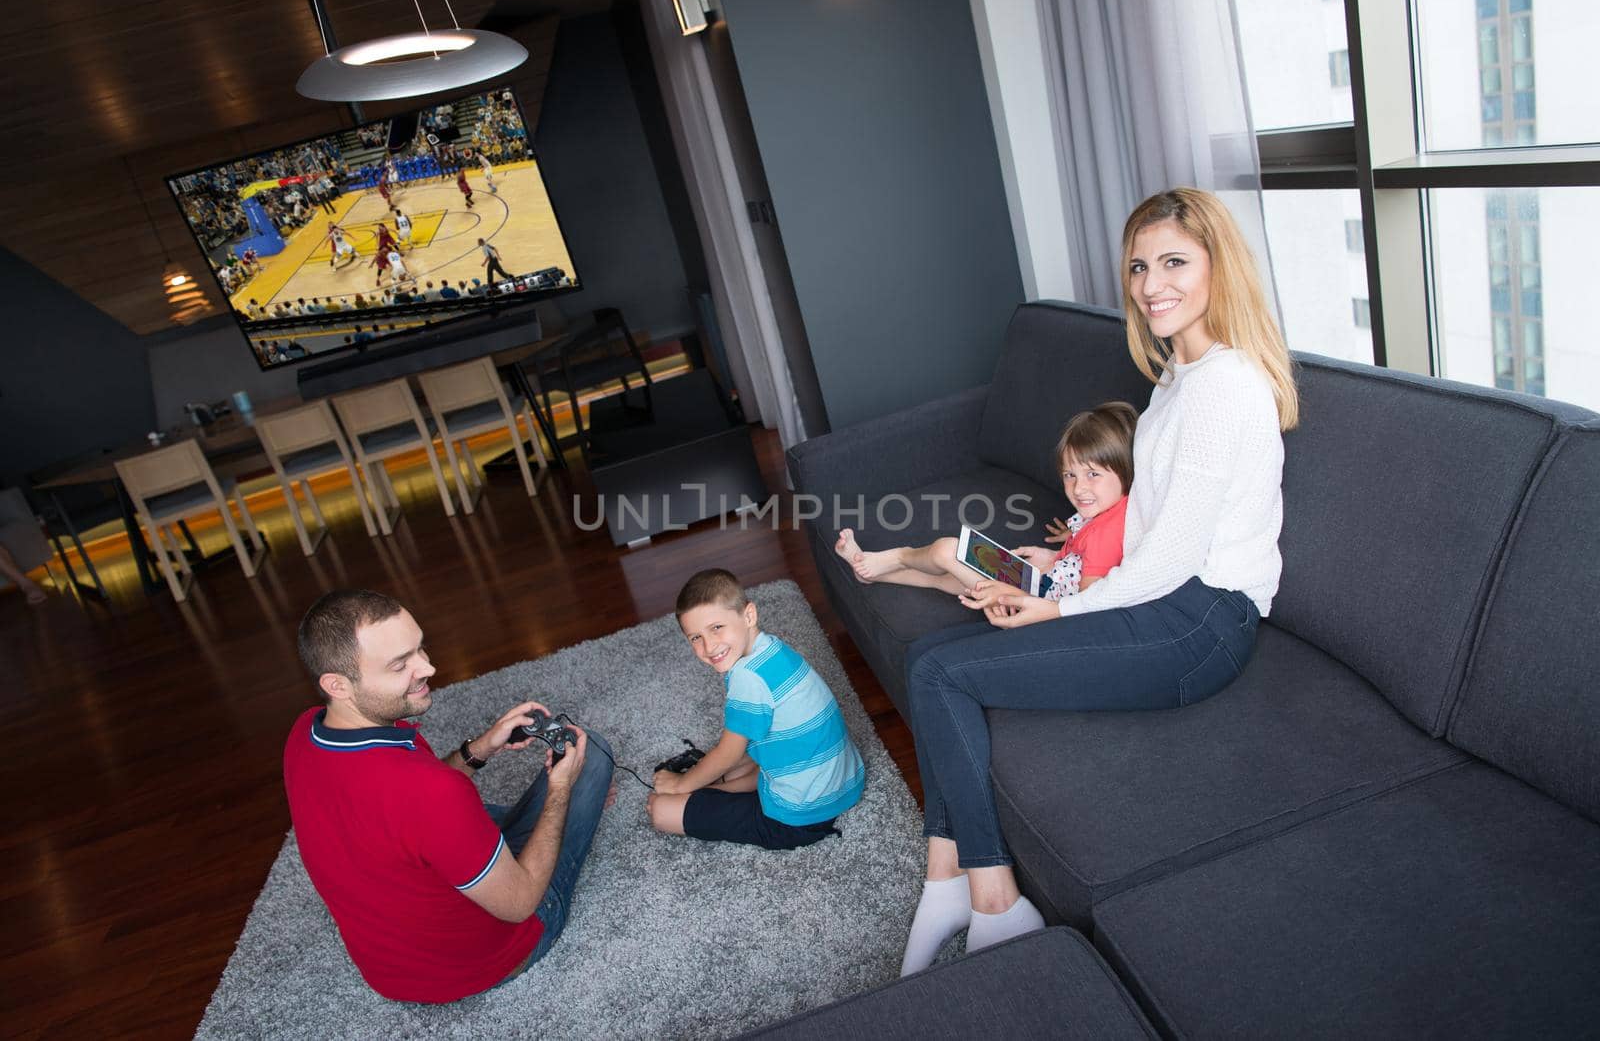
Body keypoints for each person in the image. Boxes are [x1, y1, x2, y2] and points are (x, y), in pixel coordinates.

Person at [895, 188, 1299, 977]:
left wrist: (1055, 608)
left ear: (1220, 267)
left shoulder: (1223, 387)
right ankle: (949, 876)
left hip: (1199, 622)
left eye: (1175, 262)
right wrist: (1051, 572)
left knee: (941, 669)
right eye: (1140, 266)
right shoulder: (1179, 383)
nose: (1152, 284)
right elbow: (1143, 533)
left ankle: (990, 898)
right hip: (1162, 602)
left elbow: (1173, 557)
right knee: (932, 659)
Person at [283, 590, 616, 1003]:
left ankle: (495, 841)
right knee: (594, 755)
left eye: (419, 648)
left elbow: (403, 812)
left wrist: (480, 748)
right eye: (400, 664)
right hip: (483, 963)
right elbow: (519, 903)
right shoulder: (431, 792)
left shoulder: (305, 733)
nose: (428, 667)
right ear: (337, 684)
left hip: (389, 972)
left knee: (449, 820)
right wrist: (561, 790)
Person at [647, 569, 866, 850]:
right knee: (742, 759)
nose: (708, 646)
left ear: (749, 616)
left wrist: (680, 786)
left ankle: (696, 790)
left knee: (660, 809)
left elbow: (728, 753)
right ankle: (707, 789)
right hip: (844, 784)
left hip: (798, 818)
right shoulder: (771, 648)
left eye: (716, 628)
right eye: (695, 638)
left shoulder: (747, 678)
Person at [835, 401, 1137, 602]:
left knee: (946, 551)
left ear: (1125, 470)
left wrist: (1031, 598)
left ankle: (898, 555)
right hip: (1037, 581)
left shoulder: (1105, 533)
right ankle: (873, 574)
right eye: (1070, 475)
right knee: (946, 581)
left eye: (1092, 474)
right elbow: (1089, 548)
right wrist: (1065, 545)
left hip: (1036, 597)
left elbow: (1089, 603)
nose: (1078, 487)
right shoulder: (1110, 510)